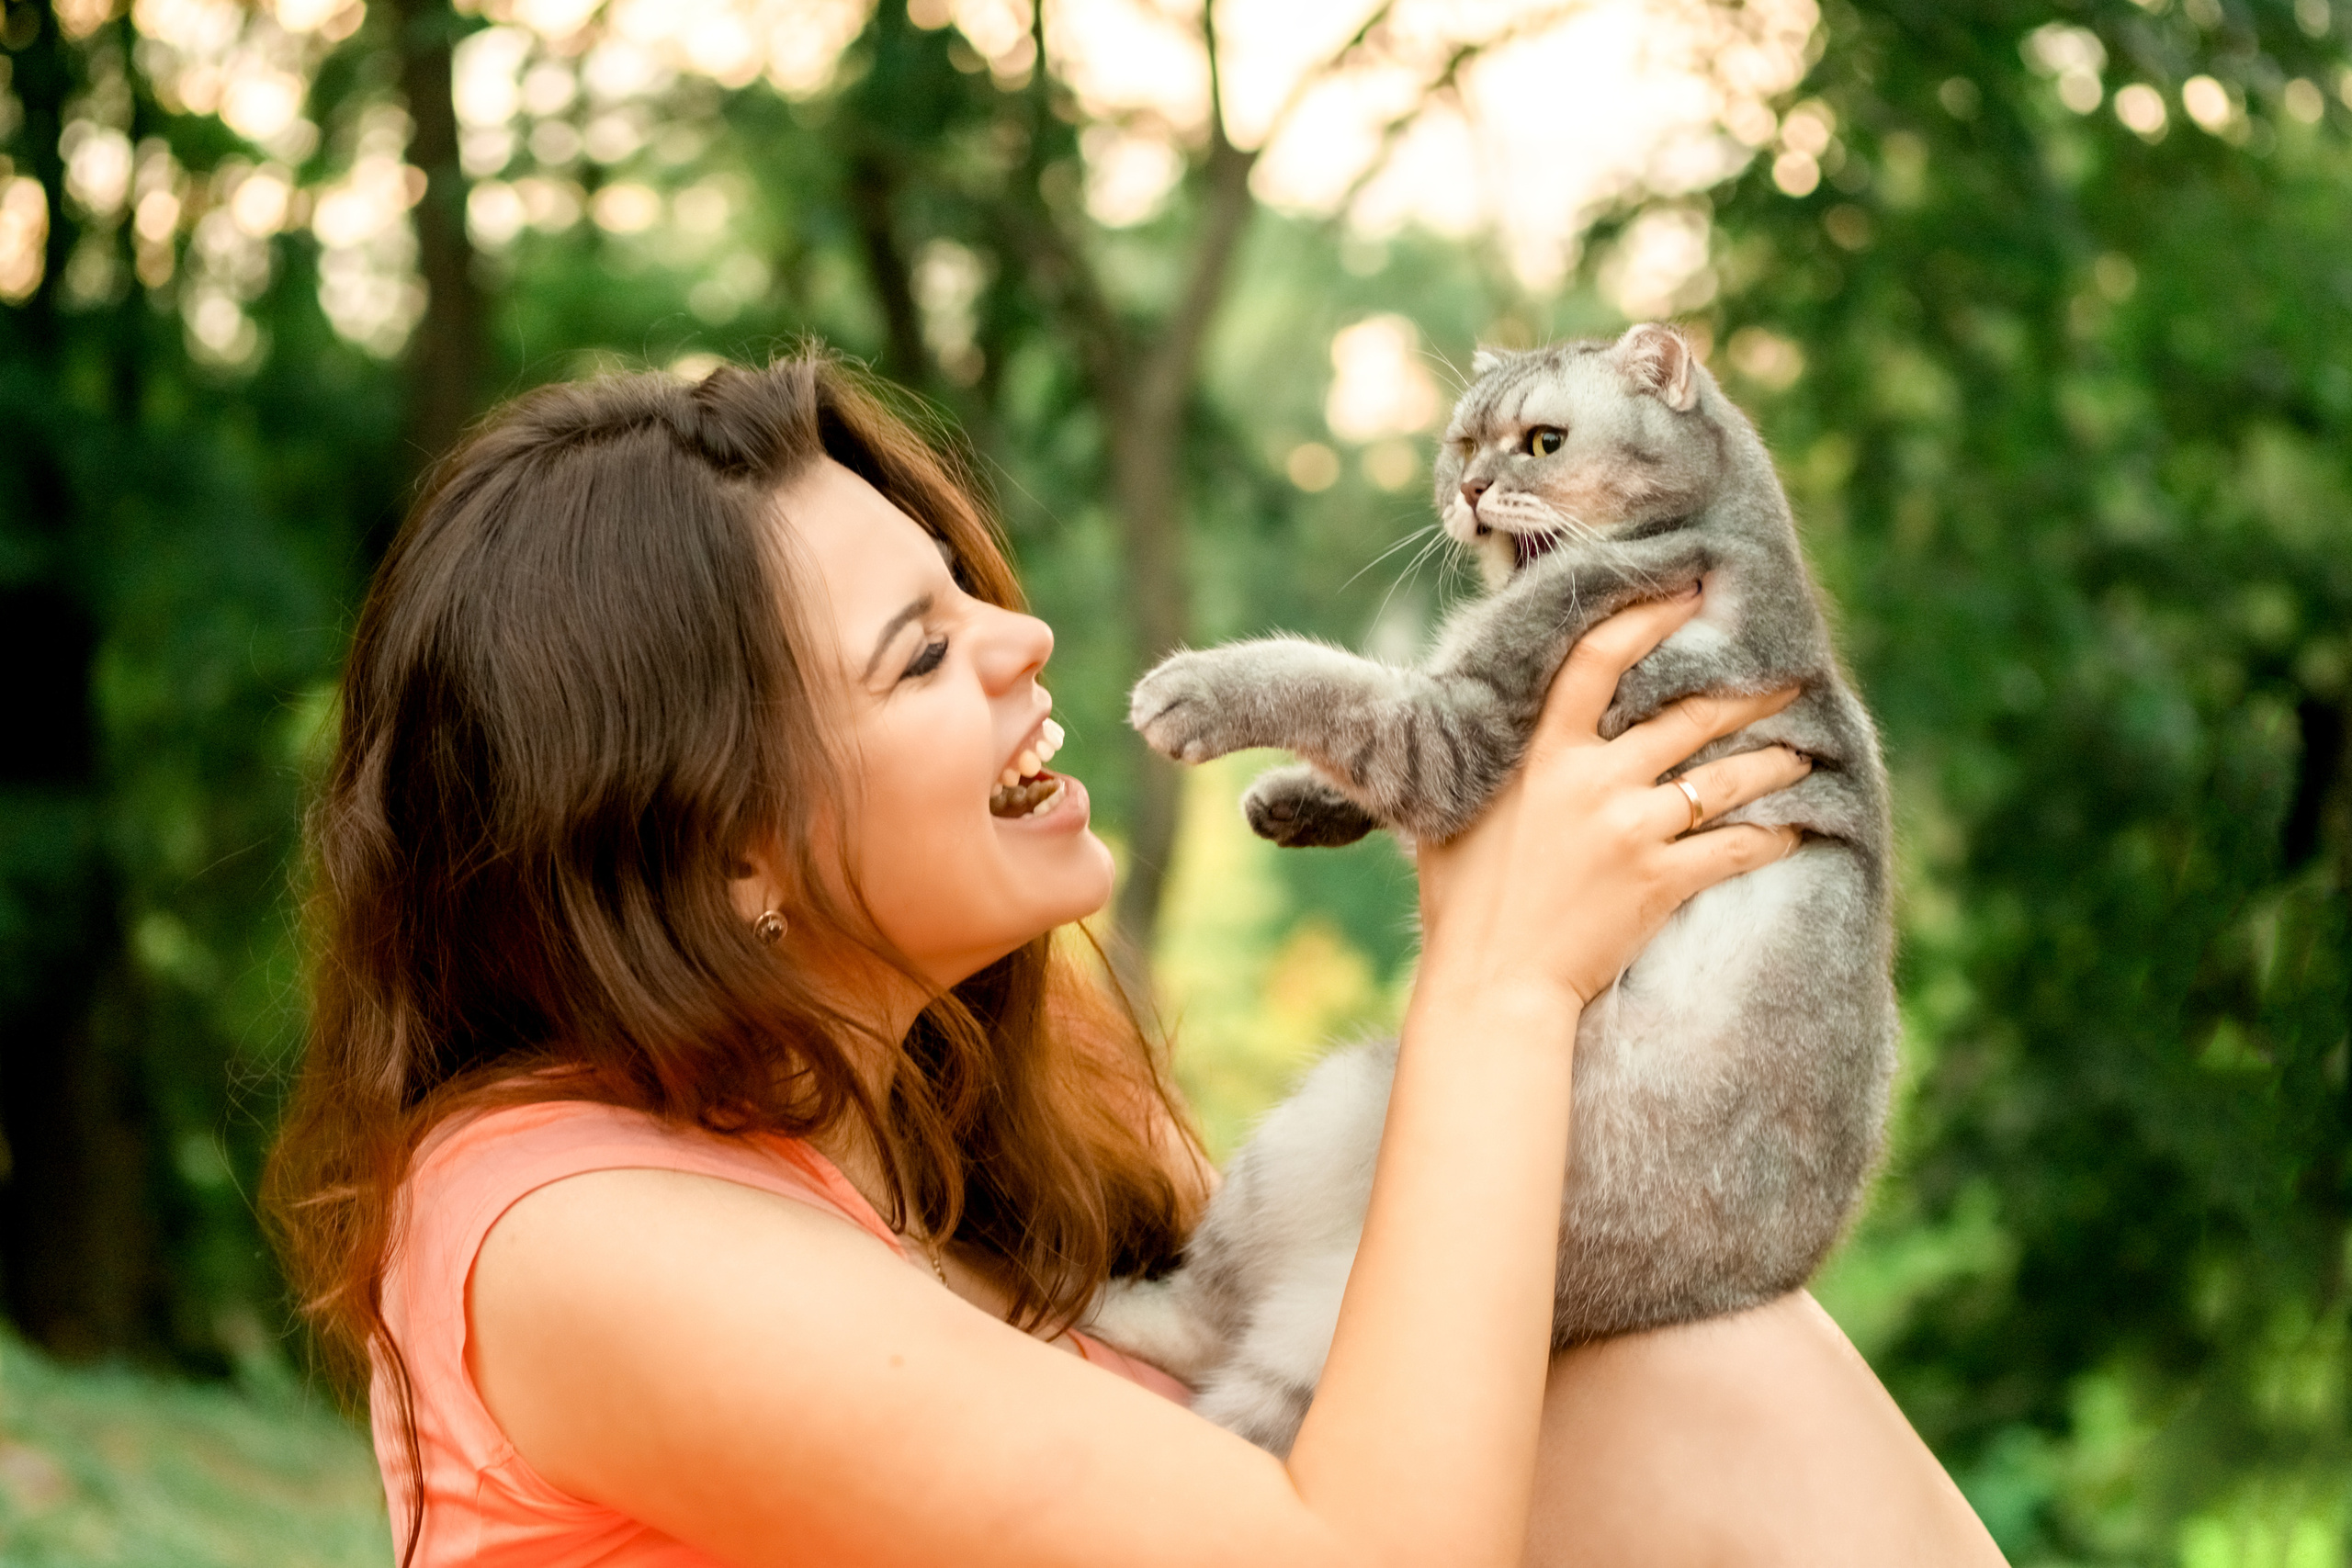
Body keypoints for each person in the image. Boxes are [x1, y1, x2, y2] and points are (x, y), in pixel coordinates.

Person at [264, 353, 2005, 1567]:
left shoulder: (979, 1109)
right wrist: (1503, 977)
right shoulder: (575, 1237)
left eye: (966, 584)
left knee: (1713, 1367)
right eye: (917, 653)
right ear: (727, 856)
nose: (1023, 636)